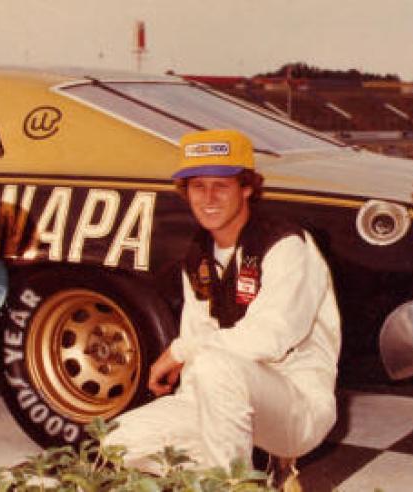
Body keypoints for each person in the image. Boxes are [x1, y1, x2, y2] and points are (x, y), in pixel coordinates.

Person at [104, 129, 341, 486]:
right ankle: (251, 470)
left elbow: (269, 338)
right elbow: (199, 339)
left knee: (215, 366)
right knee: (117, 442)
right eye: (198, 186)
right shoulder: (198, 254)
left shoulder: (286, 244)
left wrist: (179, 351)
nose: (209, 198)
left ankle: (240, 482)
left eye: (221, 186)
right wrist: (191, 398)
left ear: (246, 188)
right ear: (186, 192)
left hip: (296, 404)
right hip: (224, 401)